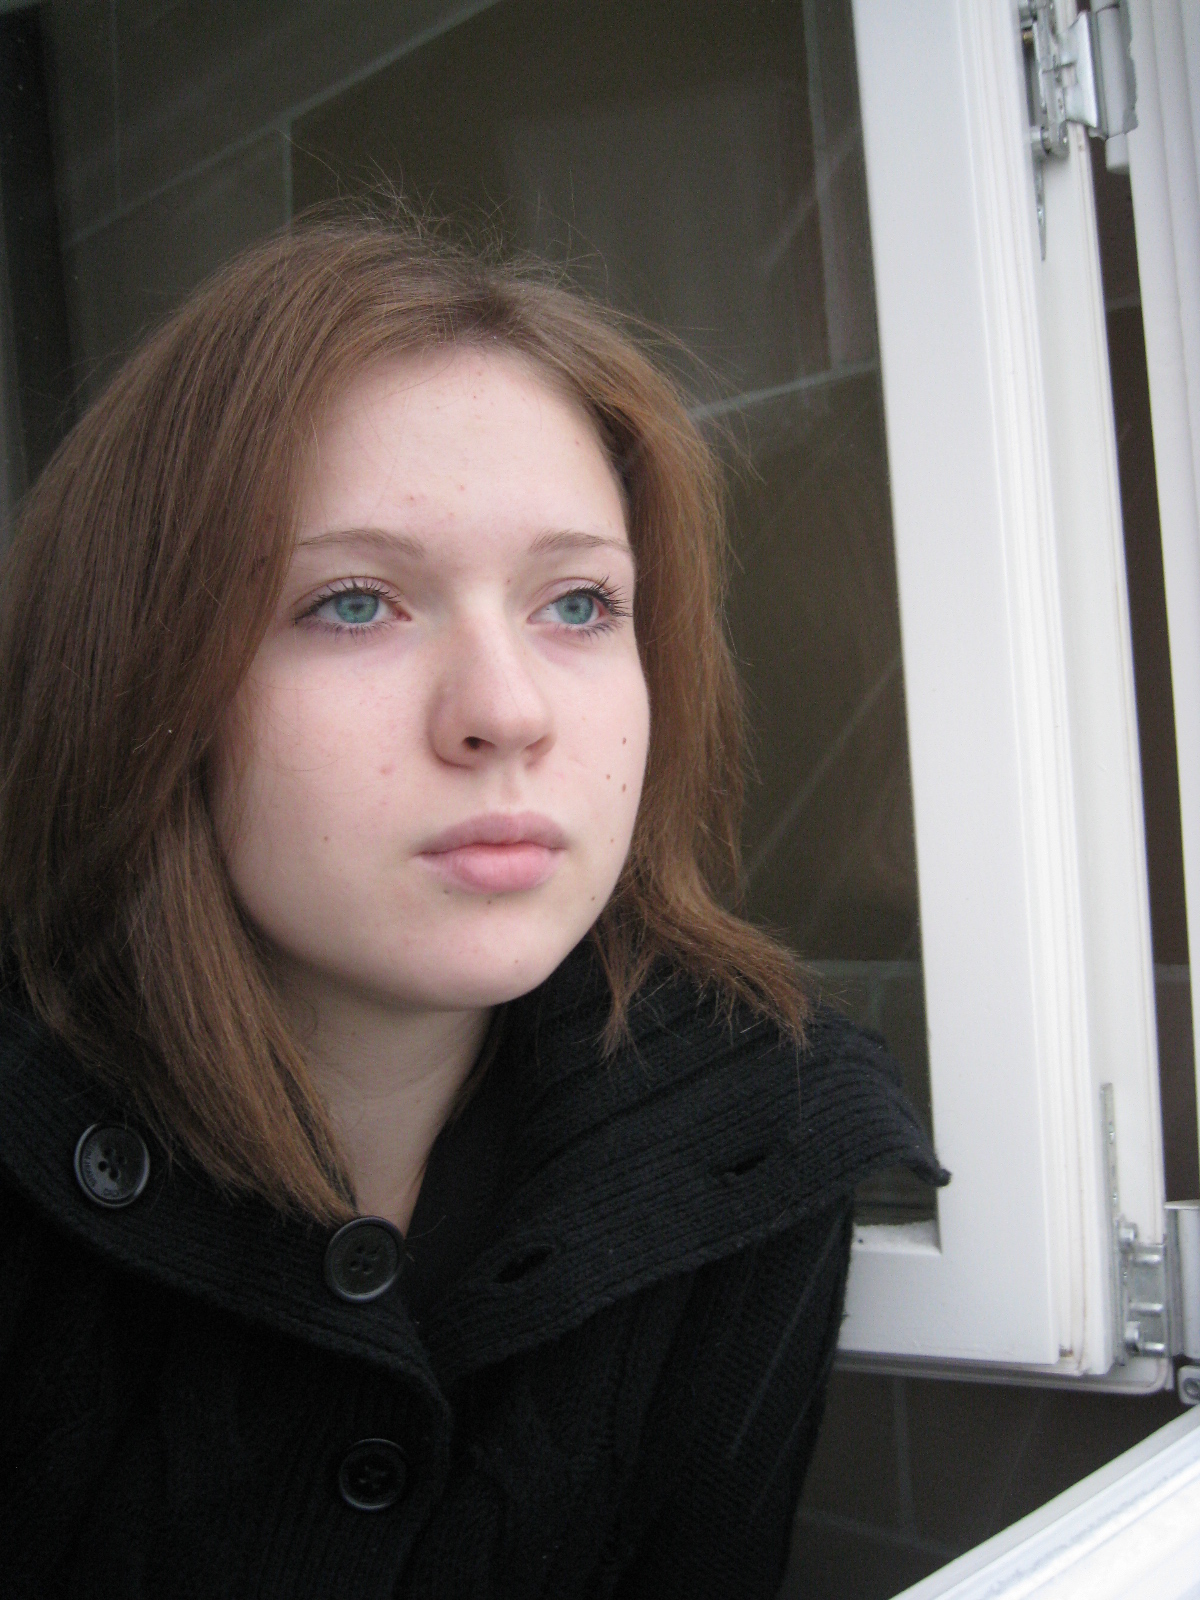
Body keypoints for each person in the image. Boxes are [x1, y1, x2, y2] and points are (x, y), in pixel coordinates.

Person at [0, 213, 944, 1599]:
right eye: (355, 603)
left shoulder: (755, 1133)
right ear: (144, 674)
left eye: (579, 604)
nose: (506, 710)